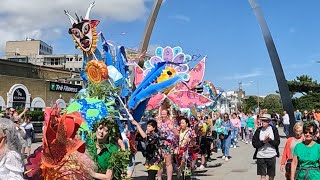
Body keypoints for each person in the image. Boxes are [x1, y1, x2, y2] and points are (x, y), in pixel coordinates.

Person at [252, 114, 280, 180]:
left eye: (265, 121)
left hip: (271, 155)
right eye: (263, 120)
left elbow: (277, 143)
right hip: (261, 155)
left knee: (271, 175)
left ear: (269, 121)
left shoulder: (274, 129)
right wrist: (263, 142)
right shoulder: (258, 130)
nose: (263, 122)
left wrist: (269, 140)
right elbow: (254, 144)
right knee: (263, 176)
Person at [157, 109, 178, 180]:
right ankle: (159, 178)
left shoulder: (171, 123)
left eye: (164, 114)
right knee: (159, 162)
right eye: (162, 114)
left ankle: (169, 179)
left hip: (168, 145)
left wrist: (172, 129)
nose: (162, 115)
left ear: (168, 115)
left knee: (168, 163)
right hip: (159, 145)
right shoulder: (158, 123)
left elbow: (177, 134)